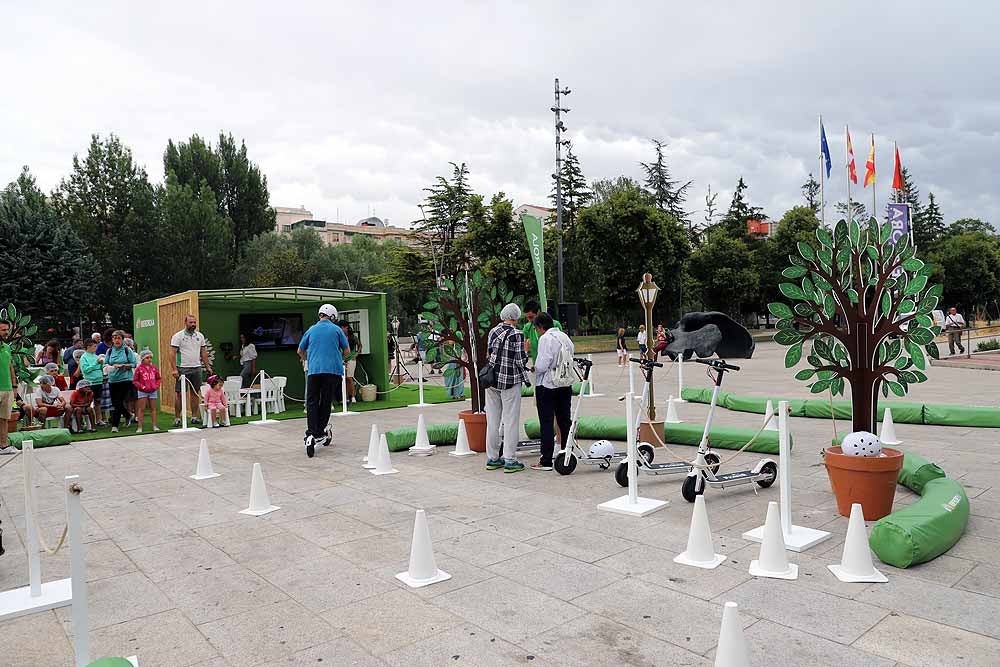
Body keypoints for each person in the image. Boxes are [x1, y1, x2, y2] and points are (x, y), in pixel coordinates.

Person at [298, 303, 350, 458]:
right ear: (333, 316)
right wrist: (338, 359)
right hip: (332, 371)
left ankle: (311, 433)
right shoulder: (336, 330)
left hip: (314, 371)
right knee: (326, 401)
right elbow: (346, 350)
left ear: (320, 314)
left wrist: (308, 359)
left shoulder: (311, 330)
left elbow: (300, 350)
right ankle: (320, 431)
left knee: (312, 401)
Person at [485, 303, 530, 473]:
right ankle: (510, 459)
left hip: (492, 381)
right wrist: (526, 351)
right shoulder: (517, 334)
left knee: (493, 420)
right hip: (510, 381)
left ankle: (492, 458)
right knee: (510, 420)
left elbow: (490, 353)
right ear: (516, 317)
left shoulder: (493, 331)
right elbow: (520, 361)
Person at [531, 312, 575, 471]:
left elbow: (543, 363)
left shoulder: (545, 339)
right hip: (564, 383)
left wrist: (534, 369)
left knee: (547, 422)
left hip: (548, 384)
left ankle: (546, 459)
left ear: (540, 327)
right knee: (564, 420)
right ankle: (567, 452)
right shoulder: (564, 337)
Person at [169, 314, 212, 427]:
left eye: (194, 322)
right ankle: (177, 418)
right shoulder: (178, 336)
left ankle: (194, 417)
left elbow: (203, 352)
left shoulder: (200, 336)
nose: (193, 324)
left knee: (195, 393)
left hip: (196, 368)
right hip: (182, 368)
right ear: (185, 322)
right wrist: (174, 369)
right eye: (190, 322)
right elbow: (172, 353)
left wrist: (207, 366)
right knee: (179, 394)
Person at [105, 330, 136, 432]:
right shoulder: (109, 351)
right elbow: (105, 363)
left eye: (119, 338)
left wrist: (124, 365)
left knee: (118, 402)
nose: (116, 340)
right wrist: (109, 367)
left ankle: (115, 426)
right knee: (115, 403)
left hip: (125, 379)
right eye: (114, 338)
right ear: (112, 340)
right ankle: (128, 415)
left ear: (122, 339)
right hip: (112, 379)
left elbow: (133, 364)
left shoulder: (127, 350)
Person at [521, 300, 561, 366]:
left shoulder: (555, 324)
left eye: (531, 317)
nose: (529, 320)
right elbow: (524, 346)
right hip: (538, 367)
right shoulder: (527, 328)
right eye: (527, 318)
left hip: (555, 367)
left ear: (538, 312)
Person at [0, 319, 18, 454]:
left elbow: (11, 367)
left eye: (7, 329)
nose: (7, 332)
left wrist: (14, 385)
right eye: (3, 330)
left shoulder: (6, 347)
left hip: (7, 388)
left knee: (4, 418)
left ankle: (3, 446)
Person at [79, 339, 107, 426]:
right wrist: (96, 363)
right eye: (94, 346)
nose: (96, 348)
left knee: (98, 401)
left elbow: (101, 368)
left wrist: (102, 364)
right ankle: (87, 421)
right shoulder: (84, 357)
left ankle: (99, 420)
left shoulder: (96, 356)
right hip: (89, 383)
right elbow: (85, 370)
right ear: (88, 347)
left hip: (99, 381)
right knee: (87, 402)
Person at [132, 350, 161, 433]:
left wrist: (156, 385)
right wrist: (142, 387)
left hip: (153, 390)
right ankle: (140, 426)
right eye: (147, 358)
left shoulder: (154, 368)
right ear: (142, 359)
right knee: (142, 409)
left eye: (150, 358)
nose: (149, 359)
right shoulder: (139, 369)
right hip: (142, 391)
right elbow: (135, 380)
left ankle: (154, 425)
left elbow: (158, 378)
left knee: (153, 408)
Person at [340, 321, 361, 403]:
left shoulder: (353, 337)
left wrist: (356, 354)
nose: (342, 329)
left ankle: (353, 396)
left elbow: (360, 345)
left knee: (349, 378)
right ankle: (346, 397)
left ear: (346, 328)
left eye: (343, 327)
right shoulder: (340, 336)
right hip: (342, 359)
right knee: (344, 379)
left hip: (351, 359)